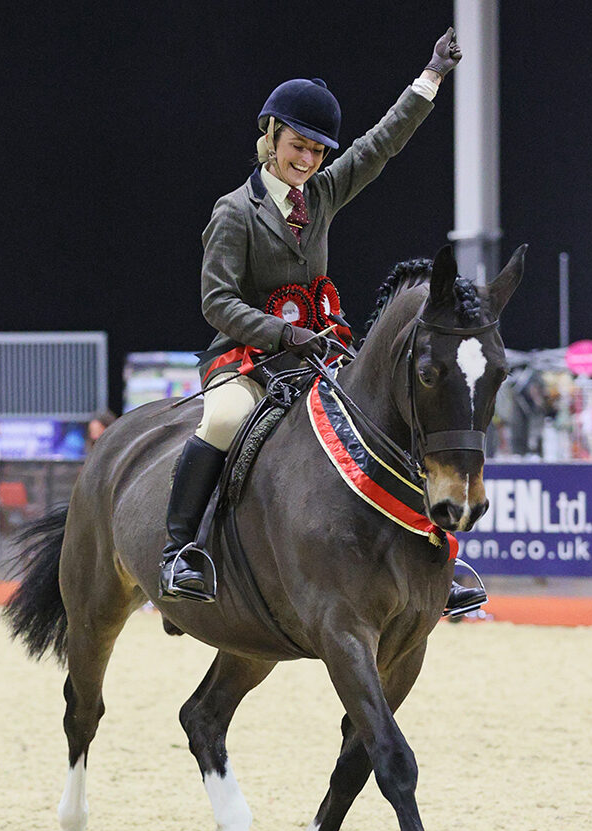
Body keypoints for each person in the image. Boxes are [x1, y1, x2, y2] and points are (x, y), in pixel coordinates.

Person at [160, 28, 480, 617]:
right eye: (298, 146)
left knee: (385, 416)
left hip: (319, 351)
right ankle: (183, 551)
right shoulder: (235, 212)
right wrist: (283, 332)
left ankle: (437, 554)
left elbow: (380, 145)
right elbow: (216, 301)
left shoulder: (324, 194)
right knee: (227, 418)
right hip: (248, 354)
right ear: (271, 136)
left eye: (316, 152)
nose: (307, 161)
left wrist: (430, 78)